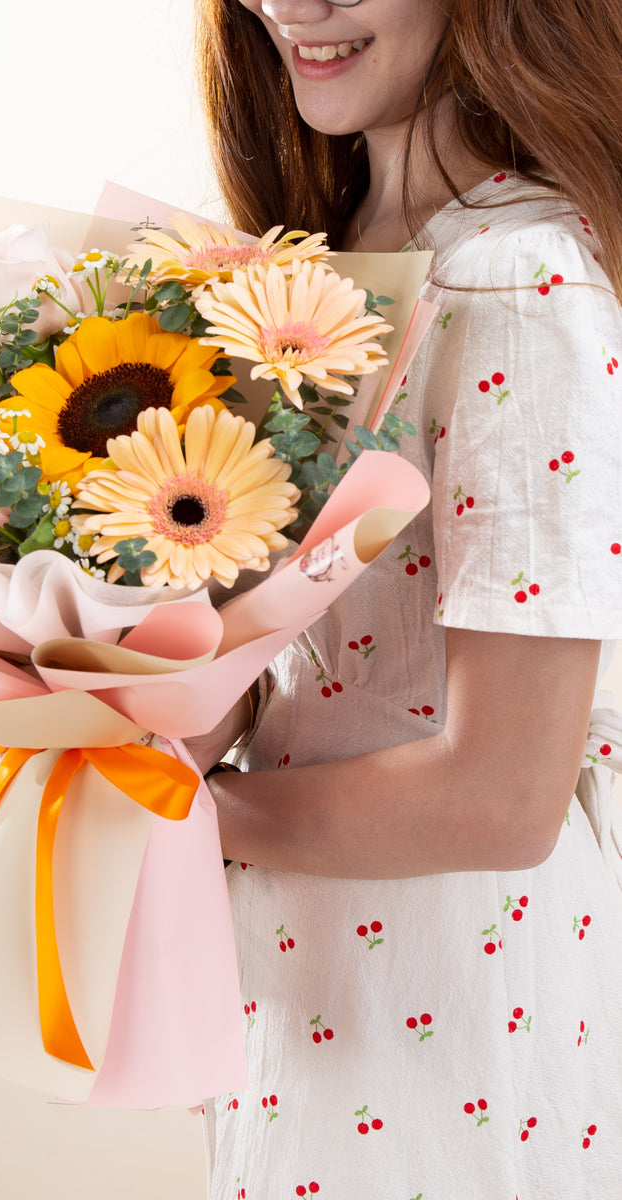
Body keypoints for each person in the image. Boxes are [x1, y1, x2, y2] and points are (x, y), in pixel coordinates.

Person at [189, 1, 622, 1195]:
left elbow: (502, 797)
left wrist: (186, 817)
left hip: (446, 977)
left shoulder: (522, 284)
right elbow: (268, 660)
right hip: (298, 964)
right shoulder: (307, 275)